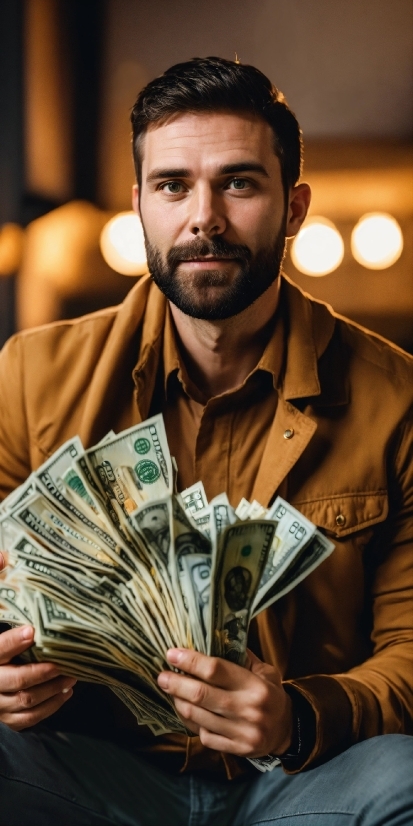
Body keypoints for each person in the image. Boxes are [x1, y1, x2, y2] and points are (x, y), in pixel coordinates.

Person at [0, 57, 412, 826]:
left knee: (404, 773)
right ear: (139, 205)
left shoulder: (396, 399)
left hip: (300, 777)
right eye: (172, 185)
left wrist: (298, 718)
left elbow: (409, 647)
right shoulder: (30, 374)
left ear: (293, 208)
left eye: (239, 183)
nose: (204, 218)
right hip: (92, 769)